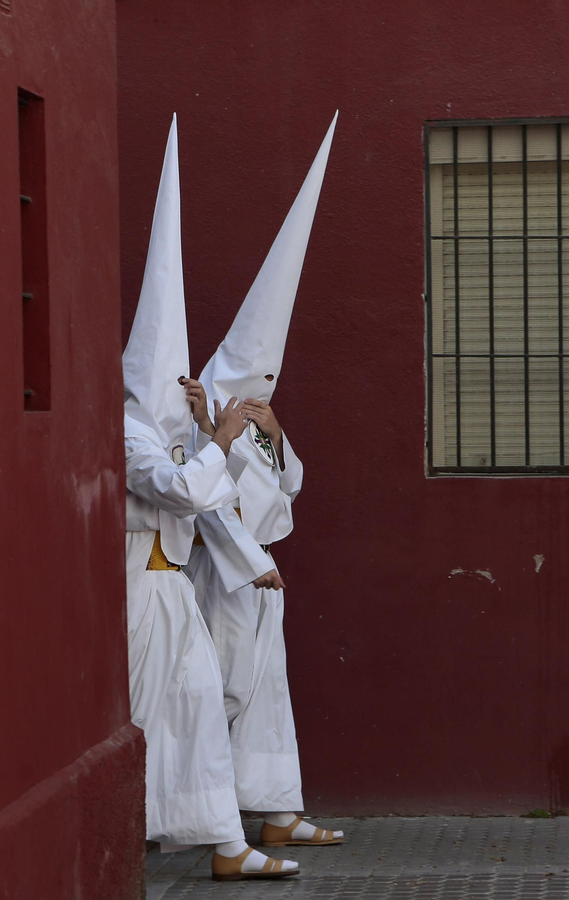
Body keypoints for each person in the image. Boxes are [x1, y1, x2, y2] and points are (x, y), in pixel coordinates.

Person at [122, 116, 299, 881]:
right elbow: (193, 492)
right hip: (141, 590)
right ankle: (155, 826)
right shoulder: (129, 438)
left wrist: (214, 431)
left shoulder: (173, 433)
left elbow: (277, 482)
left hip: (174, 595)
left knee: (195, 709)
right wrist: (216, 435)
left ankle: (225, 843)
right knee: (147, 714)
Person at [183, 113, 345, 849]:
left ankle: (278, 810)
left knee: (269, 695)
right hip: (230, 579)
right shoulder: (204, 412)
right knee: (224, 691)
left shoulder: (256, 416)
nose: (261, 386)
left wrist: (277, 438)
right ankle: (209, 824)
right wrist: (255, 565)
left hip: (264, 577)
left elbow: (293, 487)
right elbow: (206, 503)